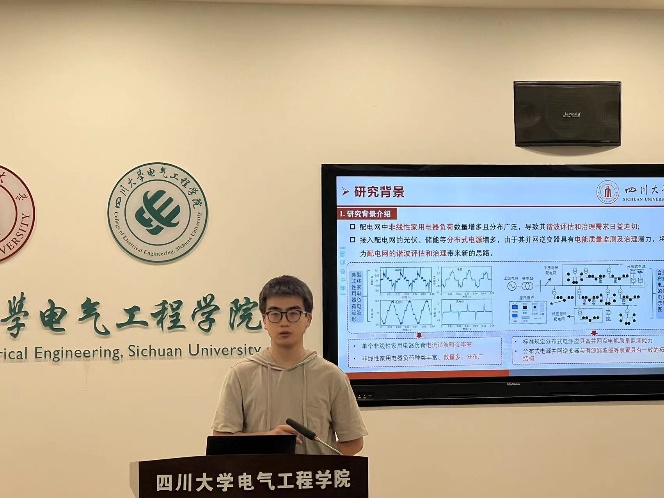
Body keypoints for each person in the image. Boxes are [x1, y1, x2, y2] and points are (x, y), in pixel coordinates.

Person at [211, 275, 367, 455]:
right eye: (275, 314)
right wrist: (267, 440)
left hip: (314, 474)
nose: (284, 322)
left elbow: (354, 442)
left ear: (308, 319)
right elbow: (221, 440)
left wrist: (319, 463)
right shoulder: (241, 374)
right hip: (260, 473)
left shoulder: (331, 375)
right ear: (265, 321)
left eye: (293, 313)